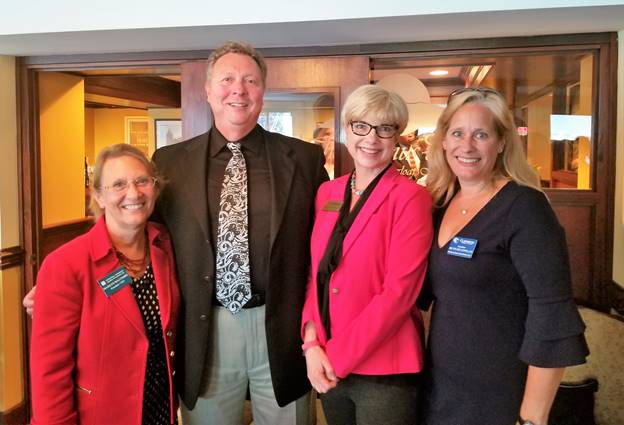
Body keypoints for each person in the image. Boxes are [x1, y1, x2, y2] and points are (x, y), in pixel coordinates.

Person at [152, 41, 328, 424]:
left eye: (250, 80)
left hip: (283, 327)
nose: (239, 90)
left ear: (262, 91)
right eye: (228, 79)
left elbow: (329, 246)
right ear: (208, 89)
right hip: (205, 329)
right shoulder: (169, 163)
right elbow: (141, 237)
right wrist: (72, 277)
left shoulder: (305, 159)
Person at [420, 87, 589, 425]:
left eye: (481, 134)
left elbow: (552, 316)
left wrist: (531, 419)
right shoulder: (440, 202)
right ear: (443, 141)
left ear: (501, 143)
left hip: (500, 394)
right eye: (457, 133)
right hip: (441, 389)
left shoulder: (525, 207)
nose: (467, 146)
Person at [301, 84, 433, 425]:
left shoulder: (411, 198)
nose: (371, 139)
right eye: (361, 126)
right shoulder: (327, 192)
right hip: (327, 355)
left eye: (385, 128)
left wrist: (336, 357)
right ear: (346, 129)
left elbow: (400, 294)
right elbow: (316, 273)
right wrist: (311, 342)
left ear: (398, 136)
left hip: (384, 367)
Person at [29, 144, 180, 425]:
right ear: (98, 195)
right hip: (102, 415)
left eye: (142, 181)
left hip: (160, 409)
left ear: (155, 188)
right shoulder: (66, 264)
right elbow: (49, 371)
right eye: (118, 184)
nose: (133, 193)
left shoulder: (166, 246)